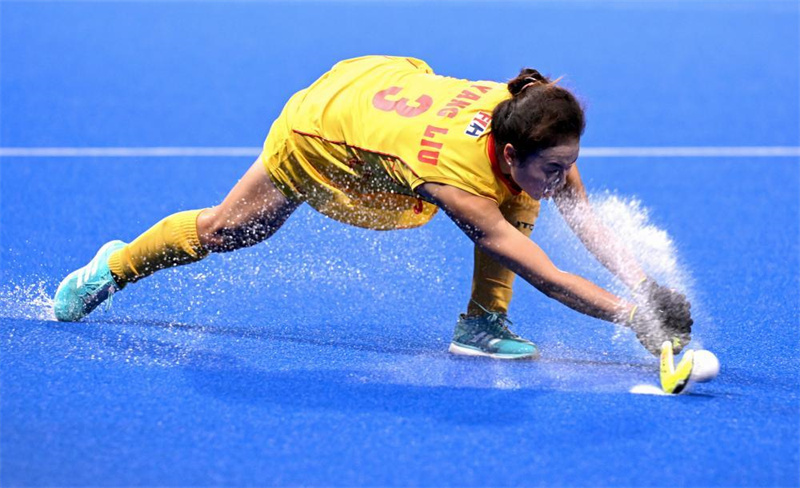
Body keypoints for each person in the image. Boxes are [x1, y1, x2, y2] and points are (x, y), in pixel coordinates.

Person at [53, 55, 693, 359]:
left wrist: (646, 287)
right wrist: (632, 317)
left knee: (520, 198)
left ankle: (481, 325)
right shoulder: (456, 178)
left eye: (567, 162)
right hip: (325, 131)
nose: (563, 178)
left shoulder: (534, 124)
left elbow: (584, 218)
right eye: (552, 167)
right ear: (507, 150)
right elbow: (544, 273)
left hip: (383, 89)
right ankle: (113, 267)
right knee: (233, 229)